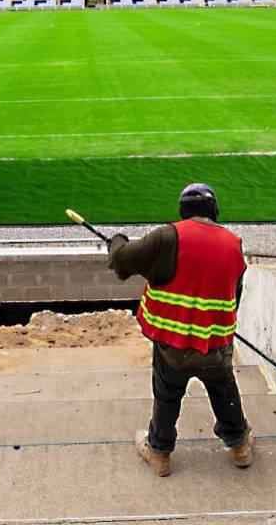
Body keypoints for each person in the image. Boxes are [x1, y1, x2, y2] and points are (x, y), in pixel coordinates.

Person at [107, 183, 252, 477]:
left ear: (184, 210)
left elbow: (122, 259)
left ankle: (159, 453)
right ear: (214, 211)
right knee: (224, 390)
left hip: (172, 345)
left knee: (167, 394)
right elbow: (235, 293)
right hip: (214, 344)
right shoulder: (233, 244)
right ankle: (240, 447)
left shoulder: (167, 236)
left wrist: (117, 240)